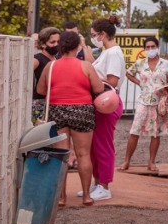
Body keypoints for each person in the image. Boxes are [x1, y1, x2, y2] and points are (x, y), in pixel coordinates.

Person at [36, 30, 103, 206]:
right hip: (82, 112)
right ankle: (87, 196)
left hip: (57, 111)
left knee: (61, 156)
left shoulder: (51, 66)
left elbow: (41, 91)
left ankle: (61, 197)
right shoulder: (86, 66)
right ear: (77, 46)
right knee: (83, 154)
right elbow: (98, 89)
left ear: (60, 45)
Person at [120, 36, 168, 174]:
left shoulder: (165, 63)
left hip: (159, 102)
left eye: (153, 46)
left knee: (156, 133)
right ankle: (126, 160)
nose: (151, 49)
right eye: (148, 47)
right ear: (144, 49)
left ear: (157, 47)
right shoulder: (140, 63)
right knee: (135, 131)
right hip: (143, 101)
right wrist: (140, 83)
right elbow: (128, 73)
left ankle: (151, 162)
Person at [86, 16, 125, 202]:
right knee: (94, 146)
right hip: (99, 103)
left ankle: (105, 185)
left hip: (107, 103)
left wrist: (90, 75)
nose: (92, 38)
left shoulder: (113, 53)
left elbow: (112, 81)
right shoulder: (107, 52)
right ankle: (97, 182)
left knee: (103, 145)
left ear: (103, 34)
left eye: (94, 35)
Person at [31, 26, 60, 124]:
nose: (56, 45)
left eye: (58, 42)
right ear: (43, 44)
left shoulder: (56, 59)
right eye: (53, 42)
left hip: (53, 103)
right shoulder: (37, 59)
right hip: (40, 103)